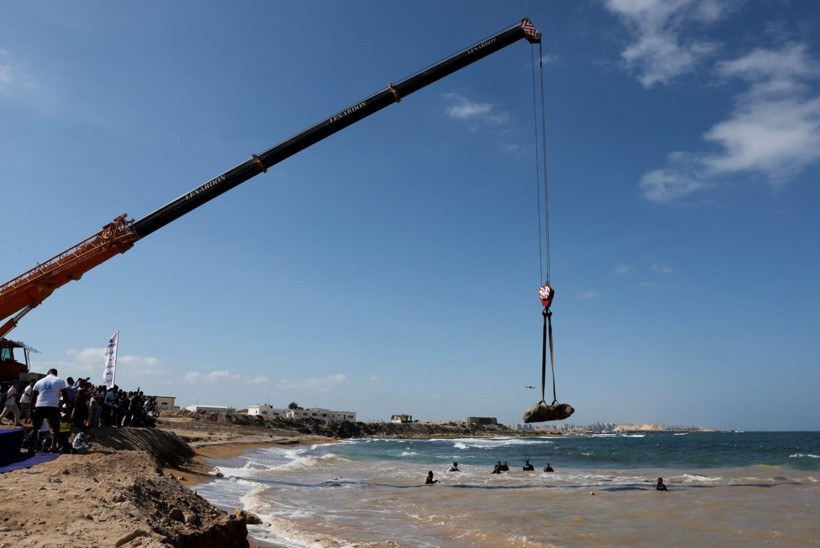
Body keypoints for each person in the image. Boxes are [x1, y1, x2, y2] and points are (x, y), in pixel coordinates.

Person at [30, 368, 70, 452]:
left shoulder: (39, 381)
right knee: (56, 429)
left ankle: (31, 447)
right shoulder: (60, 380)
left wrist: (31, 410)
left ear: (47, 373)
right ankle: (53, 446)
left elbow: (33, 397)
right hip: (53, 407)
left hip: (40, 406)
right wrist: (68, 407)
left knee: (35, 428)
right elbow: (65, 395)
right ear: (56, 374)